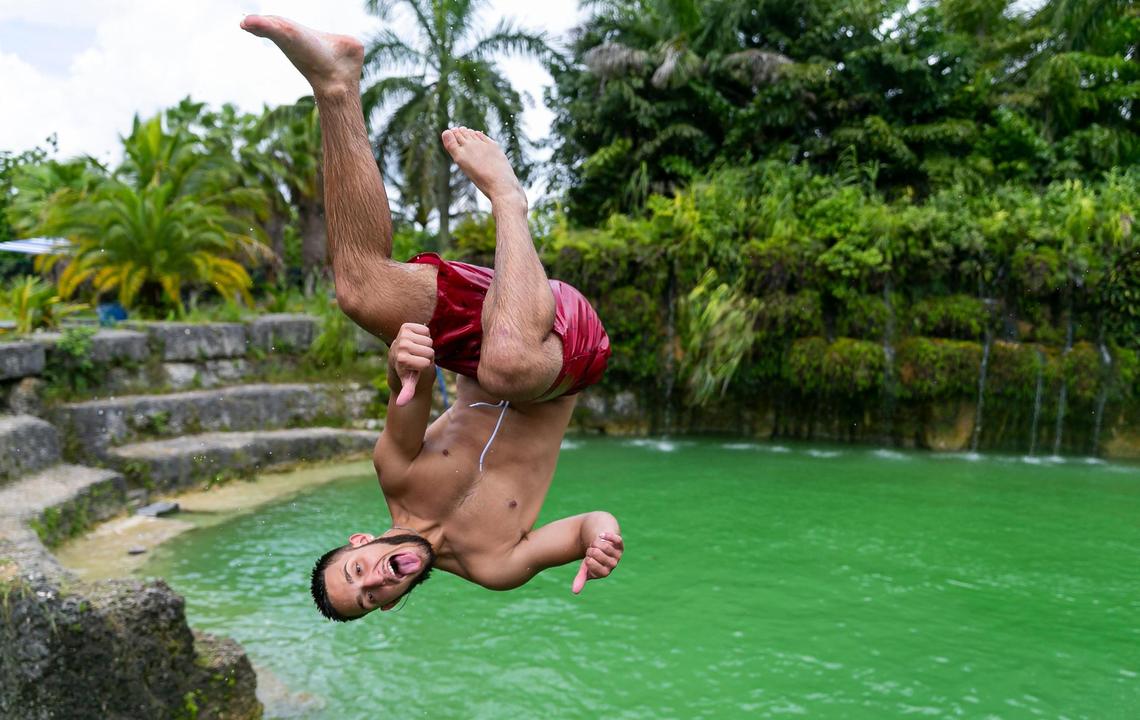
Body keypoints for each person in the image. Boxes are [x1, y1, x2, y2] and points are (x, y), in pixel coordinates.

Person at [240, 15, 624, 621]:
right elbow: (583, 528)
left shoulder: (396, 471)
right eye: (371, 598)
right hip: (565, 355)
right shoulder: (494, 564)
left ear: (361, 542)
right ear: (391, 604)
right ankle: (508, 198)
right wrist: (601, 538)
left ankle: (336, 84)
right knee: (504, 368)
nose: (375, 581)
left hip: (510, 309)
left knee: (362, 294)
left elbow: (410, 387)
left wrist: (404, 359)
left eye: (357, 571)